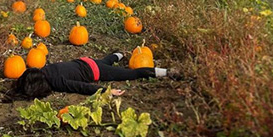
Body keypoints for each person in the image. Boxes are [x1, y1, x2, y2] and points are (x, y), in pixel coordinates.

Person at [11, 51, 177, 99]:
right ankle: (119, 54)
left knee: (131, 73)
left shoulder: (56, 82)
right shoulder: (45, 69)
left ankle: (166, 72)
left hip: (95, 71)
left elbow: (81, 86)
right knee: (106, 61)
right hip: (85, 61)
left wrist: (105, 91)